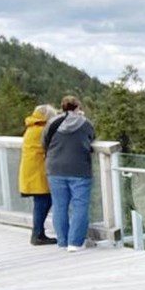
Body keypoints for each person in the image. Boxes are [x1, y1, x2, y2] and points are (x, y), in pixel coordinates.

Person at [43, 95, 95, 252]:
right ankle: (76, 242)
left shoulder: (53, 123)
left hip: (55, 168)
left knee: (59, 206)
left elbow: (44, 142)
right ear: (77, 107)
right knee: (80, 206)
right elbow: (91, 137)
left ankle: (63, 241)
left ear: (62, 107)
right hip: (79, 168)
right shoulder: (85, 123)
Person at [19, 103, 59, 245]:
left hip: (31, 170)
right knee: (43, 202)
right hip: (39, 171)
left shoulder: (31, 128)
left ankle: (38, 233)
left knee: (40, 202)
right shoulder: (42, 130)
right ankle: (38, 234)